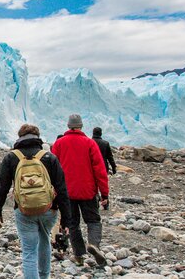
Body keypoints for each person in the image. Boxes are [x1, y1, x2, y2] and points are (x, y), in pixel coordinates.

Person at [0, 124, 71, 279]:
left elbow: (1, 188)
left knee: (29, 250)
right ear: (37, 137)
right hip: (49, 209)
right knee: (44, 240)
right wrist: (66, 219)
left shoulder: (11, 157)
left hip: (24, 210)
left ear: (20, 137)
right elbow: (61, 189)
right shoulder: (49, 157)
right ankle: (44, 276)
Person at [51, 114, 110, 267]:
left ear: (68, 126)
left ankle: (79, 255)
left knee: (73, 224)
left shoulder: (59, 144)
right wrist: (104, 193)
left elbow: (52, 169)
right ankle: (94, 245)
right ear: (81, 126)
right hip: (87, 191)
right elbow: (100, 170)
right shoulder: (89, 143)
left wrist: (54, 192)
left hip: (66, 192)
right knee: (93, 220)